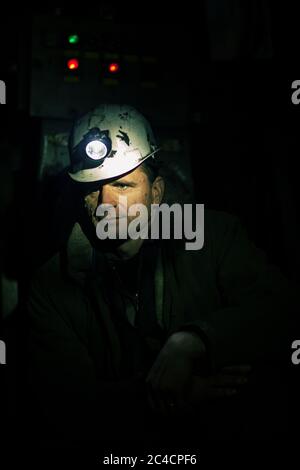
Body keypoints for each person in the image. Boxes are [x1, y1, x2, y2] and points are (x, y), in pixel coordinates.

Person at [26, 104, 294, 447]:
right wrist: (161, 395)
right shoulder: (52, 286)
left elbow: (284, 309)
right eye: (93, 189)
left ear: (155, 194)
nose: (107, 203)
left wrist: (196, 340)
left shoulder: (212, 238)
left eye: (123, 186)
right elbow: (64, 405)